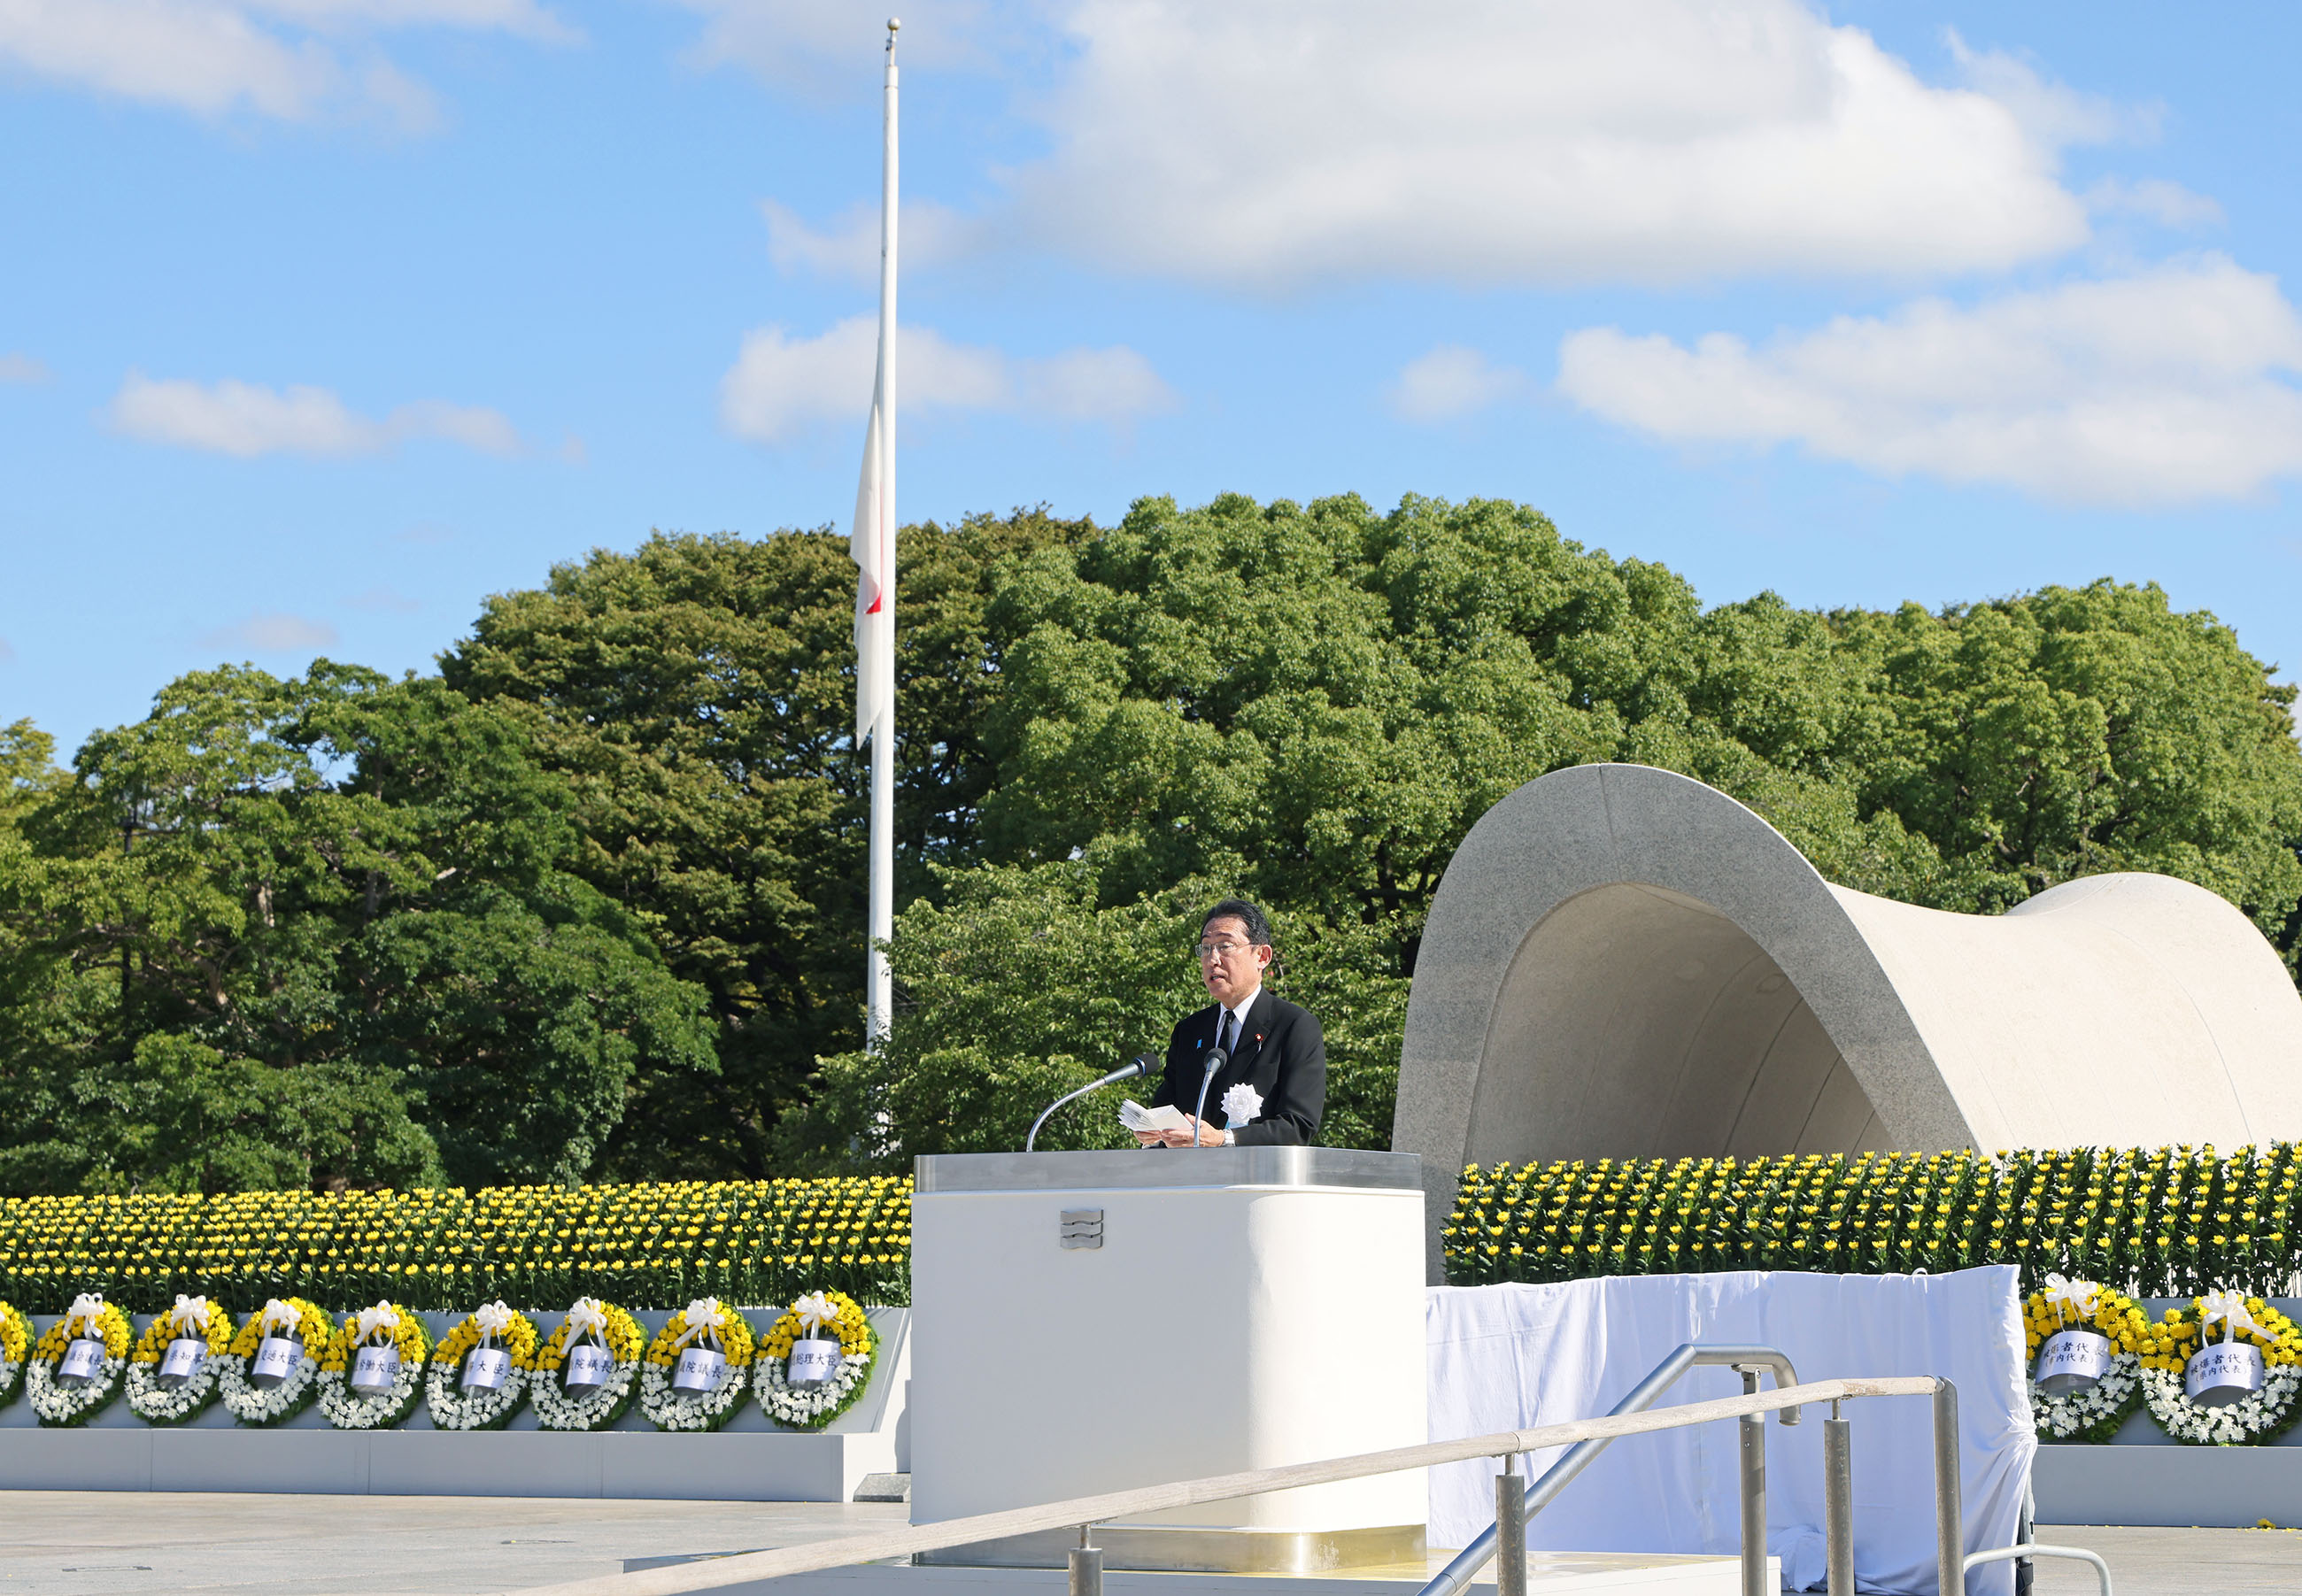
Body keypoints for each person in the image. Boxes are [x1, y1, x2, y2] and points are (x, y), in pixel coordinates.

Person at [1136, 898, 1325, 1147]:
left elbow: (1299, 1125)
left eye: (1225, 946)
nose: (1212, 959)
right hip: (1189, 1180)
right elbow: (1167, 1108)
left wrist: (1223, 1139)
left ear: (1262, 956)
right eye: (1205, 948)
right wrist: (1154, 1132)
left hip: (1255, 1179)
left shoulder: (1294, 1026)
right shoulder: (1189, 1031)